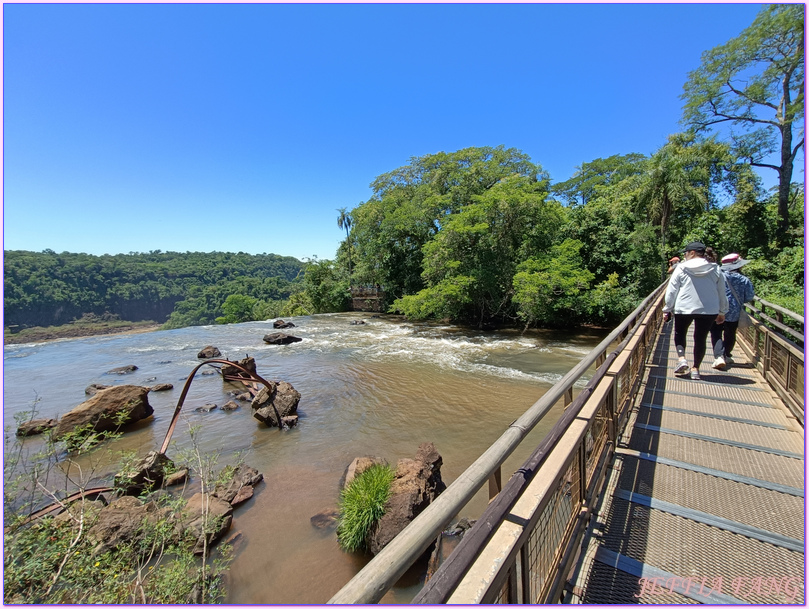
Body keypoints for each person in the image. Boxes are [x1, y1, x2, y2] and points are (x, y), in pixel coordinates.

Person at [662, 242, 728, 380]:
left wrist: (667, 308)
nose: (684, 255)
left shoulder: (681, 268)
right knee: (700, 338)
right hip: (709, 310)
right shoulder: (715, 269)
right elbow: (722, 292)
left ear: (692, 253)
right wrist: (722, 311)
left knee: (680, 333)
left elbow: (672, 290)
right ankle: (695, 369)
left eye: (685, 253)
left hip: (684, 307)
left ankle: (682, 359)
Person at [710, 253, 755, 369]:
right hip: (734, 311)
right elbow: (749, 297)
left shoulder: (717, 276)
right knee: (730, 333)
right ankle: (726, 354)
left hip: (717, 309)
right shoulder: (744, 280)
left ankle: (719, 356)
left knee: (716, 332)